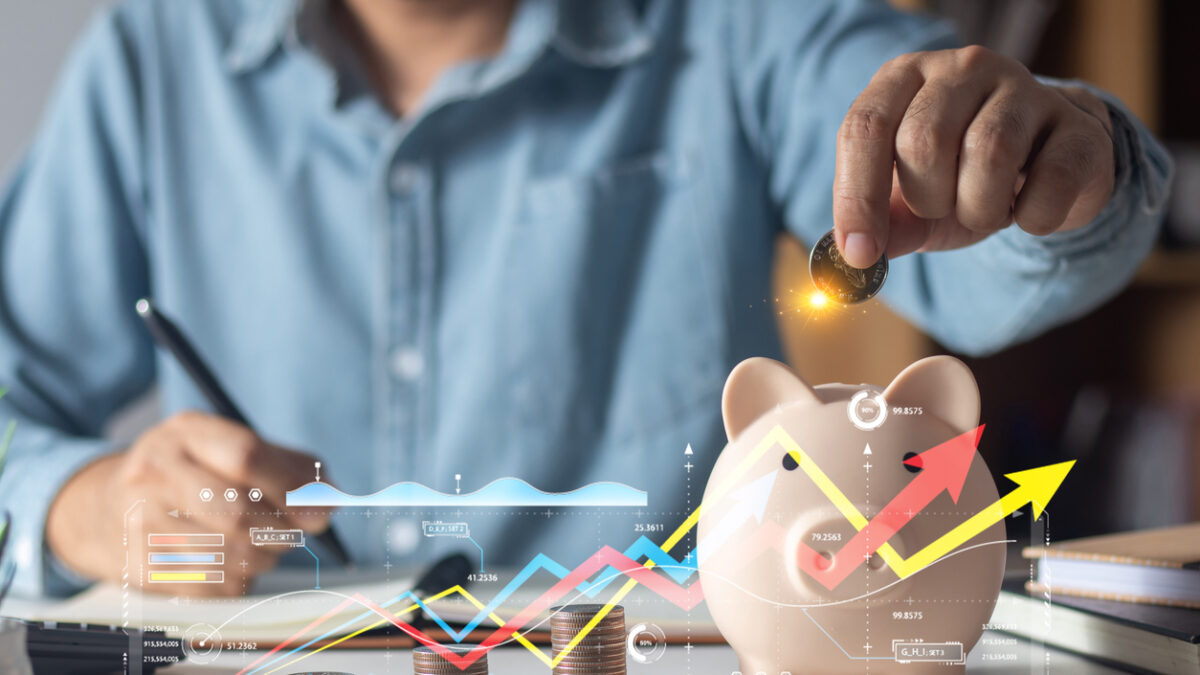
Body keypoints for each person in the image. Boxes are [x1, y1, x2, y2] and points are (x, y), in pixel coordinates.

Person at [0, 0, 1171, 598]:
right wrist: (80, 504)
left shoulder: (734, 25)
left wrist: (1050, 167)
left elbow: (978, 261)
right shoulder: (152, 57)